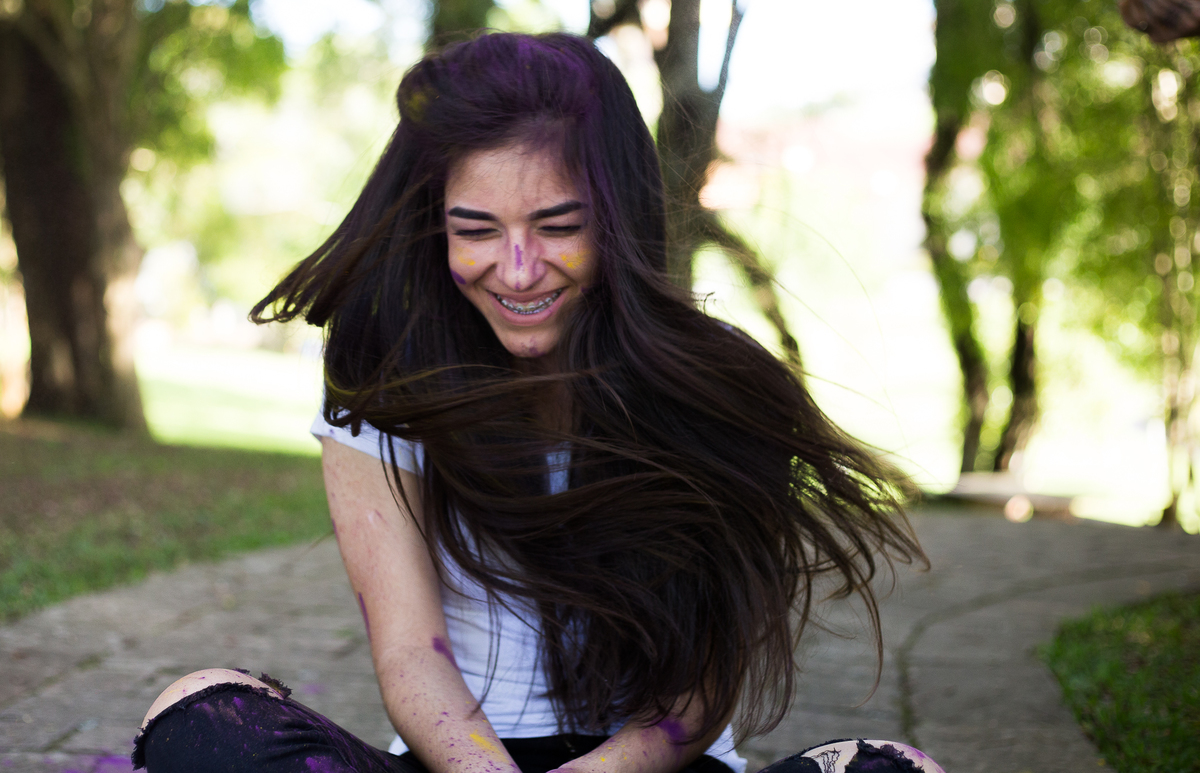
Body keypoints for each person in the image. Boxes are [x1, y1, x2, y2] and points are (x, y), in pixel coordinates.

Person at [133, 32, 944, 773]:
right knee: (199, 710)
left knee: (898, 767)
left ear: (617, 220)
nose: (518, 270)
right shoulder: (387, 380)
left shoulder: (713, 385)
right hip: (463, 763)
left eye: (557, 226)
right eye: (476, 230)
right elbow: (412, 652)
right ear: (435, 227)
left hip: (645, 769)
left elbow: (698, 693)